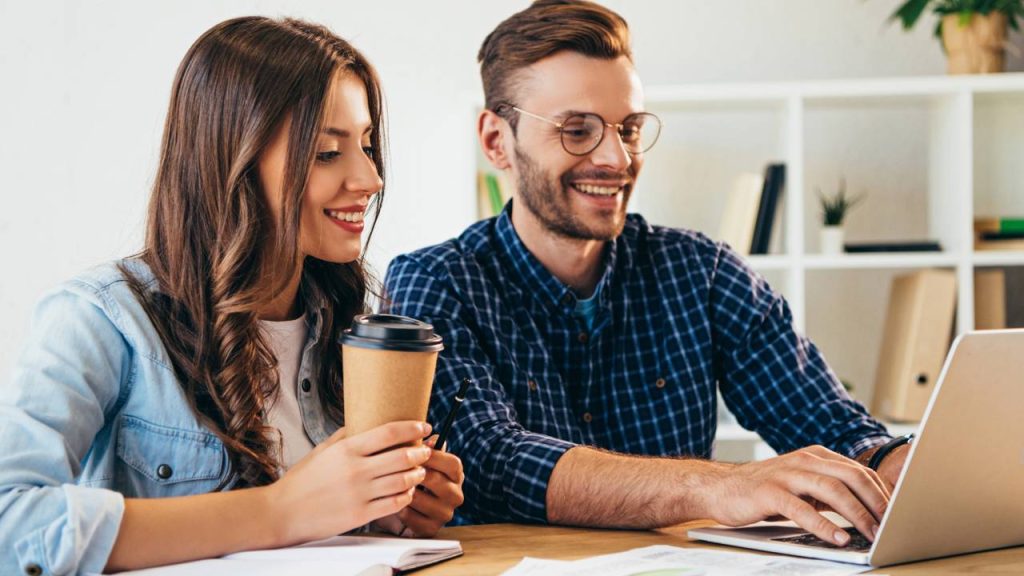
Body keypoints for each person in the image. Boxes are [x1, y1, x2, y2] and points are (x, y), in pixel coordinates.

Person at [384, 0, 908, 548]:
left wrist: (893, 460)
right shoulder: (434, 283)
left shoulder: (702, 273)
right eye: (578, 130)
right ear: (497, 141)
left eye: (629, 128)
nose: (617, 158)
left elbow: (832, 426)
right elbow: (490, 458)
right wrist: (718, 486)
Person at [0, 17, 463, 576]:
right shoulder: (100, 319)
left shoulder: (348, 325)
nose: (370, 178)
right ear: (233, 162)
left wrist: (384, 510)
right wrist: (278, 510)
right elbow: (13, 524)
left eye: (366, 145)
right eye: (325, 153)